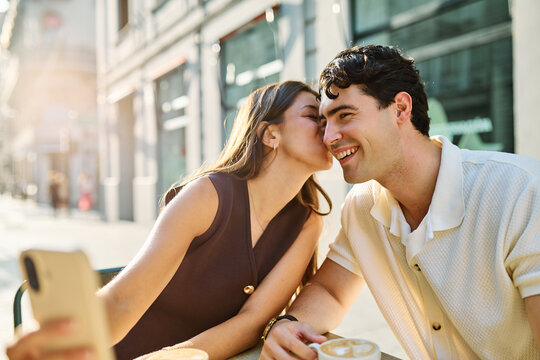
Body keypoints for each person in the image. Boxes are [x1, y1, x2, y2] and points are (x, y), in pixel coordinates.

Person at [6, 80, 333, 360]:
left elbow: (253, 321)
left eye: (328, 118)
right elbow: (123, 300)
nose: (327, 126)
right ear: (269, 134)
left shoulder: (307, 221)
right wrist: (67, 335)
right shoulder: (208, 195)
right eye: (312, 115)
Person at [260, 45, 540, 360]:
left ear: (400, 109)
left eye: (345, 115)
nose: (328, 138)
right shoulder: (363, 207)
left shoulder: (522, 193)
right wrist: (288, 324)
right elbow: (331, 292)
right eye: (324, 123)